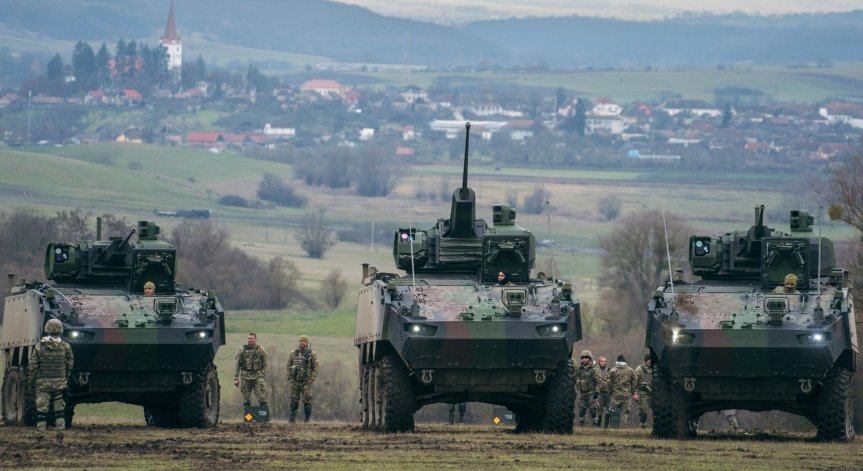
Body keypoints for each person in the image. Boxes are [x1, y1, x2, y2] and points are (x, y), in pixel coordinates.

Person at [30, 319, 74, 444]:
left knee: (41, 413)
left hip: (43, 384)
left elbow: (33, 366)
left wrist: (31, 380)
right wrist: (65, 377)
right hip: (60, 384)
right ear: (60, 330)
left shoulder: (39, 346)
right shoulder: (65, 346)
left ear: (47, 329)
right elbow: (70, 364)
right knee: (59, 412)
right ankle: (60, 438)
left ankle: (40, 438)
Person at [288, 334, 319, 423]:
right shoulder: (293, 353)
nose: (302, 342)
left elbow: (316, 367)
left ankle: (307, 419)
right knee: (294, 401)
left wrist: (311, 379)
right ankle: (292, 419)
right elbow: (289, 365)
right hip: (295, 381)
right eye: (301, 341)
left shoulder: (311, 354)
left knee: (307, 401)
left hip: (306, 381)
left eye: (304, 341)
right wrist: (290, 378)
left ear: (307, 343)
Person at [233, 333, 268, 408]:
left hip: (257, 376)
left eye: (252, 338)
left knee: (262, 396)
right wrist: (236, 378)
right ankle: (247, 414)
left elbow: (265, 363)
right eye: (249, 338)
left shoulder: (260, 350)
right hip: (245, 376)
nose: (250, 340)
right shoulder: (242, 350)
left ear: (255, 339)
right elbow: (237, 364)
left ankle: (263, 413)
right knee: (246, 398)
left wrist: (262, 373)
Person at [574, 350, 603, 426]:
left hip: (592, 394)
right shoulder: (580, 368)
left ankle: (596, 426)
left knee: (593, 411)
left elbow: (599, 381)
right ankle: (581, 427)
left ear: (590, 359)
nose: (584, 359)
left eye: (586, 358)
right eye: (582, 358)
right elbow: (575, 377)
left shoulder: (594, 369)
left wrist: (597, 392)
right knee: (581, 411)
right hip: (582, 394)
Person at [608, 355, 636, 428]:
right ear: (624, 361)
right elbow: (634, 382)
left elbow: (609, 383)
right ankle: (623, 429)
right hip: (626, 395)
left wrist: (610, 392)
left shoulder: (613, 370)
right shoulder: (630, 370)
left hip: (616, 395)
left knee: (614, 412)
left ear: (617, 361)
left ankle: (613, 428)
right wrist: (632, 392)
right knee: (624, 413)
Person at [633, 353, 654, 428]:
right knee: (644, 411)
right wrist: (635, 393)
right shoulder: (640, 369)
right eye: (649, 360)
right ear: (645, 361)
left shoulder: (655, 368)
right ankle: (643, 426)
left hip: (654, 393)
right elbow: (634, 382)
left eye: (651, 360)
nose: (650, 362)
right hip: (643, 393)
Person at [594, 356, 612, 427]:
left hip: (608, 394)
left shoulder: (609, 371)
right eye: (602, 361)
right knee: (599, 411)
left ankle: (606, 426)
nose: (603, 363)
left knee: (609, 411)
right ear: (599, 362)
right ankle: (598, 425)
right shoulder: (596, 371)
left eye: (604, 361)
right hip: (600, 394)